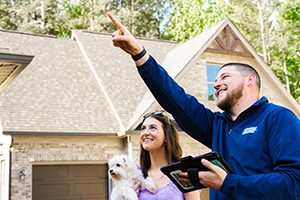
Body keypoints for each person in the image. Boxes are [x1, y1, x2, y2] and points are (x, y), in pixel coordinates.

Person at [107, 13, 300, 200]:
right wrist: (138, 54)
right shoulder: (217, 126)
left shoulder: (279, 118)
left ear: (250, 80)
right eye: (214, 80)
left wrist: (228, 183)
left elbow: (294, 182)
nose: (215, 84)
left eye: (224, 77)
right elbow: (176, 99)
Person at [138, 110, 200, 199]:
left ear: (166, 136)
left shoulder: (183, 172)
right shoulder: (136, 174)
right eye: (143, 128)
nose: (145, 133)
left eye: (153, 128)